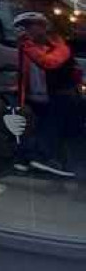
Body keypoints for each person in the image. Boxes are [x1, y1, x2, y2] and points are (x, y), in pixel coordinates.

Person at [14, 11, 83, 178]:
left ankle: (44, 159)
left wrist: (27, 47)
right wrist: (21, 98)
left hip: (61, 95)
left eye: (31, 26)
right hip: (38, 98)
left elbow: (49, 63)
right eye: (24, 27)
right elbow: (23, 74)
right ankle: (30, 160)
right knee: (43, 128)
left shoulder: (60, 45)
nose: (27, 31)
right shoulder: (27, 47)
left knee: (58, 129)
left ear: (44, 27)